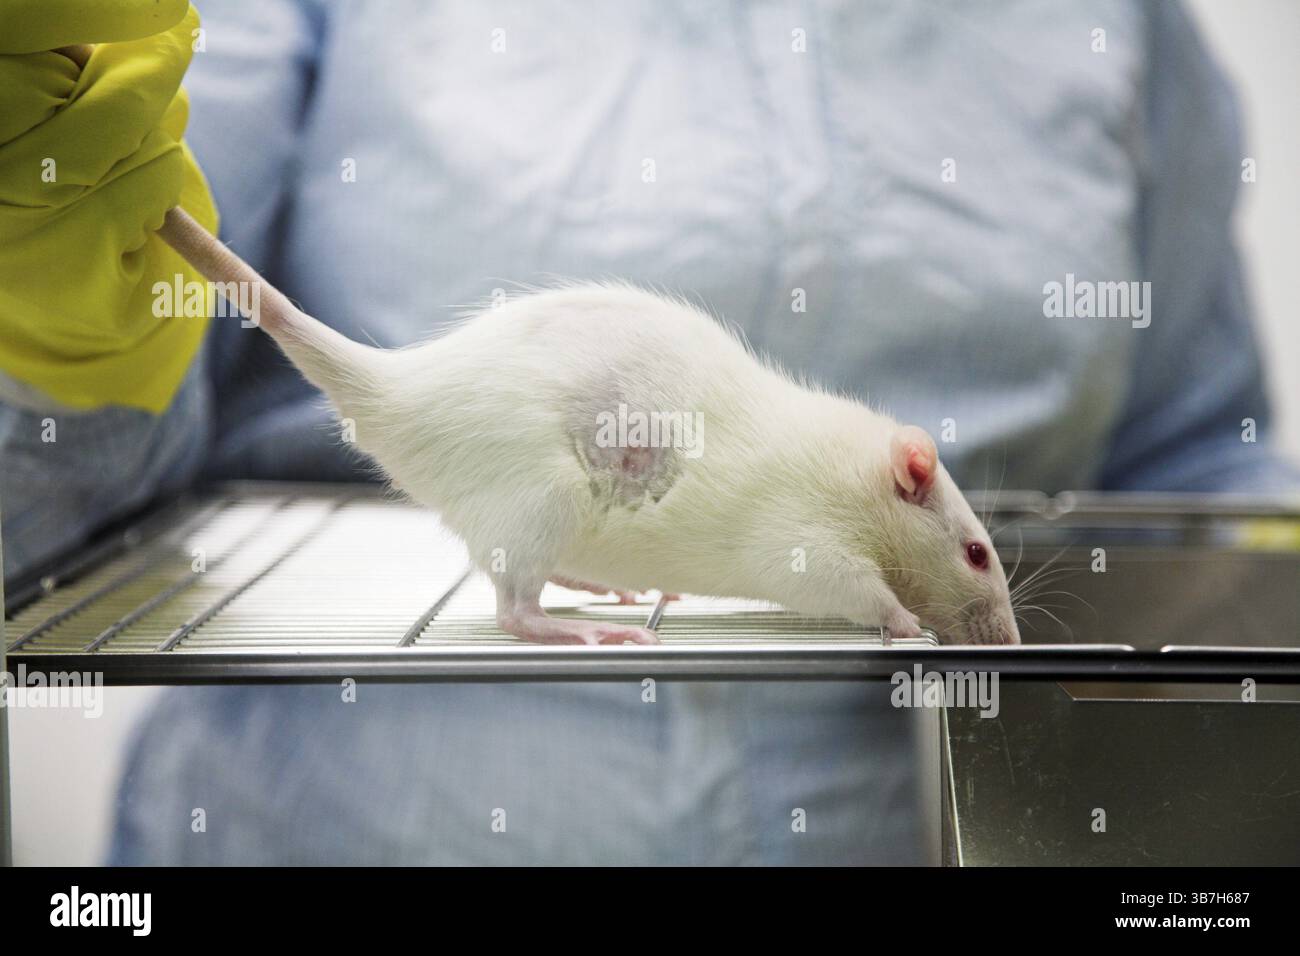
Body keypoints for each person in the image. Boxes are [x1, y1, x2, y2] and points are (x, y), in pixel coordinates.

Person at [2, 0, 1294, 864]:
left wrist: (1196, 747)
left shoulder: (1116, 27)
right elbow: (71, 507)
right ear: (908, 478)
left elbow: (1201, 466)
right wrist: (56, 347)